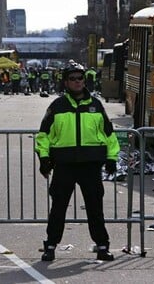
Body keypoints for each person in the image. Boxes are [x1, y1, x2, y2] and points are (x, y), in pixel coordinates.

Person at [35, 61, 120, 262]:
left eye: (80, 78)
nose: (77, 82)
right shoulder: (57, 106)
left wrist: (111, 157)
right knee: (58, 208)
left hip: (90, 165)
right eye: (72, 79)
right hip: (65, 165)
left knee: (95, 207)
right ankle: (51, 245)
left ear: (85, 80)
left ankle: (102, 246)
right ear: (66, 82)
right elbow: (43, 135)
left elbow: (109, 134)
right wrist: (44, 158)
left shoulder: (96, 105)